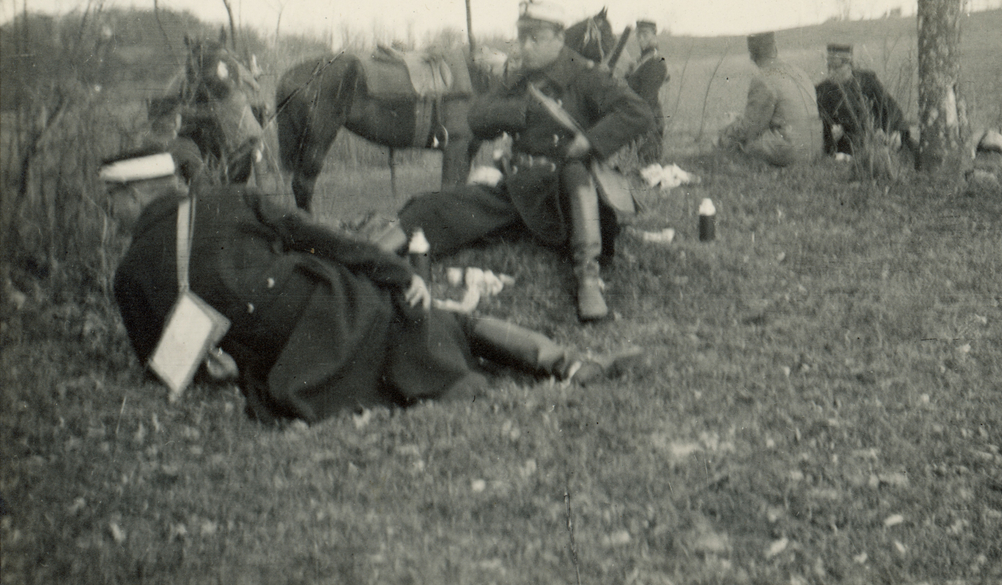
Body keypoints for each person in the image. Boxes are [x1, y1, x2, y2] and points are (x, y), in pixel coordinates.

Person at [103, 147, 632, 425]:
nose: (113, 211)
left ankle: (517, 376)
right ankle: (566, 365)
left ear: (131, 197)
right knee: (446, 322)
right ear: (172, 184)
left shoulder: (128, 276)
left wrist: (215, 376)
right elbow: (322, 240)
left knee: (418, 348)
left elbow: (163, 366)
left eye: (113, 201)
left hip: (290, 369)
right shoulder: (229, 200)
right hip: (337, 308)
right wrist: (399, 274)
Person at [397, 1, 655, 322]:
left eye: (535, 38)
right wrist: (519, 113)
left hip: (566, 199)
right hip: (520, 190)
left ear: (559, 38)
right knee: (433, 208)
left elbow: (637, 112)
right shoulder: (519, 79)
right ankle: (375, 252)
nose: (525, 47)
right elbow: (476, 117)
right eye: (521, 38)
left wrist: (589, 141)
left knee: (576, 176)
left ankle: (588, 279)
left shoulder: (587, 75)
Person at [717, 31, 812, 167]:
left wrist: (727, 130)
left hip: (790, 150)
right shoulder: (799, 72)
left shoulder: (763, 79)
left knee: (741, 144)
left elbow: (751, 128)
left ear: (752, 55)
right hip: (813, 148)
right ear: (775, 48)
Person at [815, 44, 914, 156]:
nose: (832, 71)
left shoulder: (867, 81)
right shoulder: (821, 90)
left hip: (879, 142)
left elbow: (890, 107)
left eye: (837, 67)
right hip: (846, 149)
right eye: (830, 66)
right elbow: (818, 130)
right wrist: (831, 137)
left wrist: (898, 131)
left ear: (849, 65)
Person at [623, 19, 669, 164]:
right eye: (639, 35)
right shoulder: (641, 60)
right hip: (638, 117)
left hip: (649, 123)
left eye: (645, 34)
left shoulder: (656, 61)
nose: (641, 38)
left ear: (655, 36)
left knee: (646, 164)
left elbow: (646, 99)